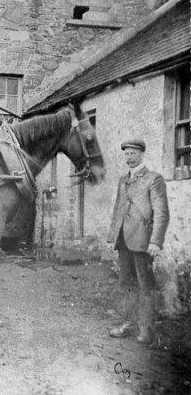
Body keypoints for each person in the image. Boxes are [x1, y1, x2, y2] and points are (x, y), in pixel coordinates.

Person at [107, 139, 169, 344]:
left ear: (142, 154)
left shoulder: (154, 179)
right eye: (126, 154)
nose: (129, 157)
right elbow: (118, 209)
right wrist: (112, 237)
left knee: (145, 285)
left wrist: (156, 241)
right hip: (124, 240)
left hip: (143, 241)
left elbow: (161, 212)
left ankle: (146, 328)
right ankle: (129, 323)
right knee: (126, 284)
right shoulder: (123, 179)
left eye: (133, 153)